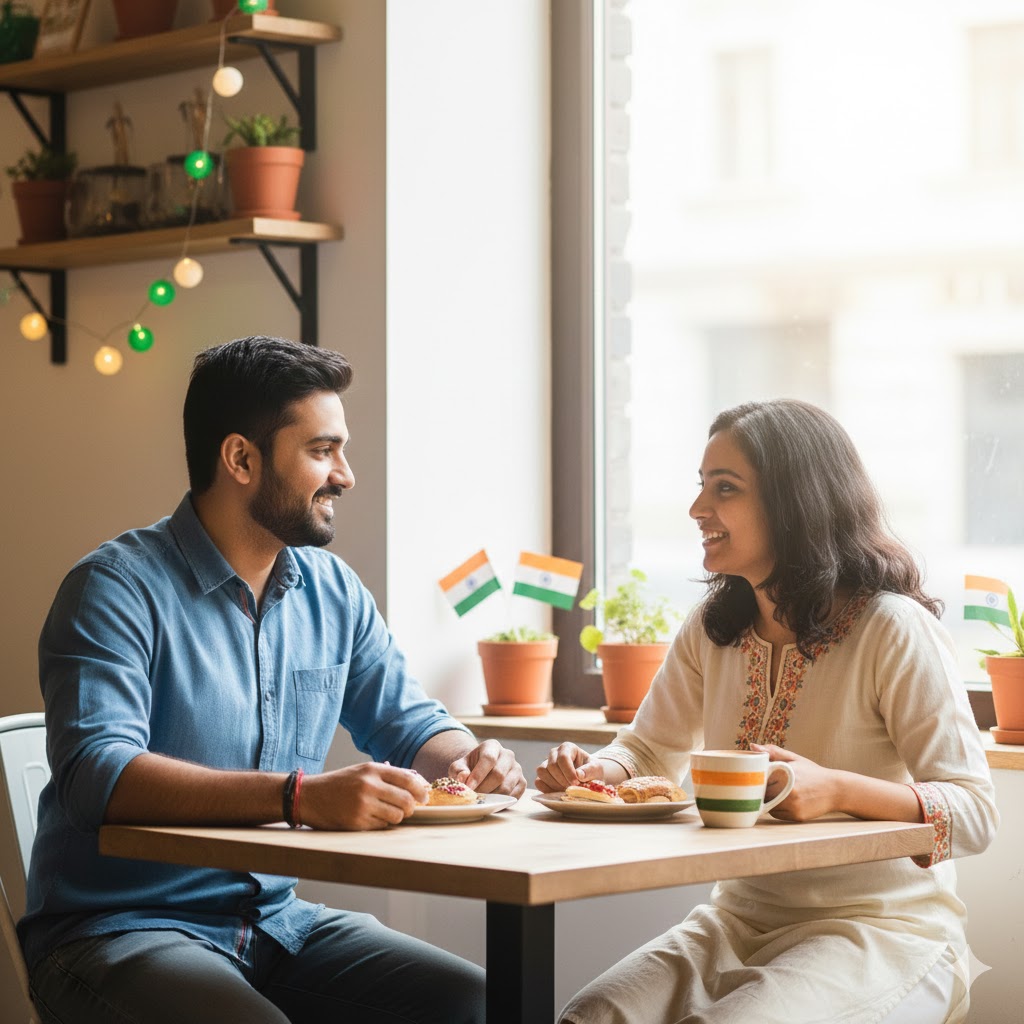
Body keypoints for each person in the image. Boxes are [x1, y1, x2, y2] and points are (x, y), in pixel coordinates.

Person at [20, 335, 526, 1024]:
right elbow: (95, 775)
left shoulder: (332, 590)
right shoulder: (113, 588)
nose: (345, 475)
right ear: (241, 459)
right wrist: (300, 797)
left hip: (275, 925)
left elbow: (407, 721)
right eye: (322, 451)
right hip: (119, 929)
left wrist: (471, 759)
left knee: (484, 1004)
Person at [537, 399, 997, 1024]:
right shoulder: (712, 627)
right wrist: (592, 775)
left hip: (882, 932)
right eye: (701, 488)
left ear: (795, 501)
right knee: (589, 1016)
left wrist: (834, 787)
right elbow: (646, 751)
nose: (699, 510)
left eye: (724, 489)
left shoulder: (892, 628)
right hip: (735, 920)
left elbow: (973, 814)